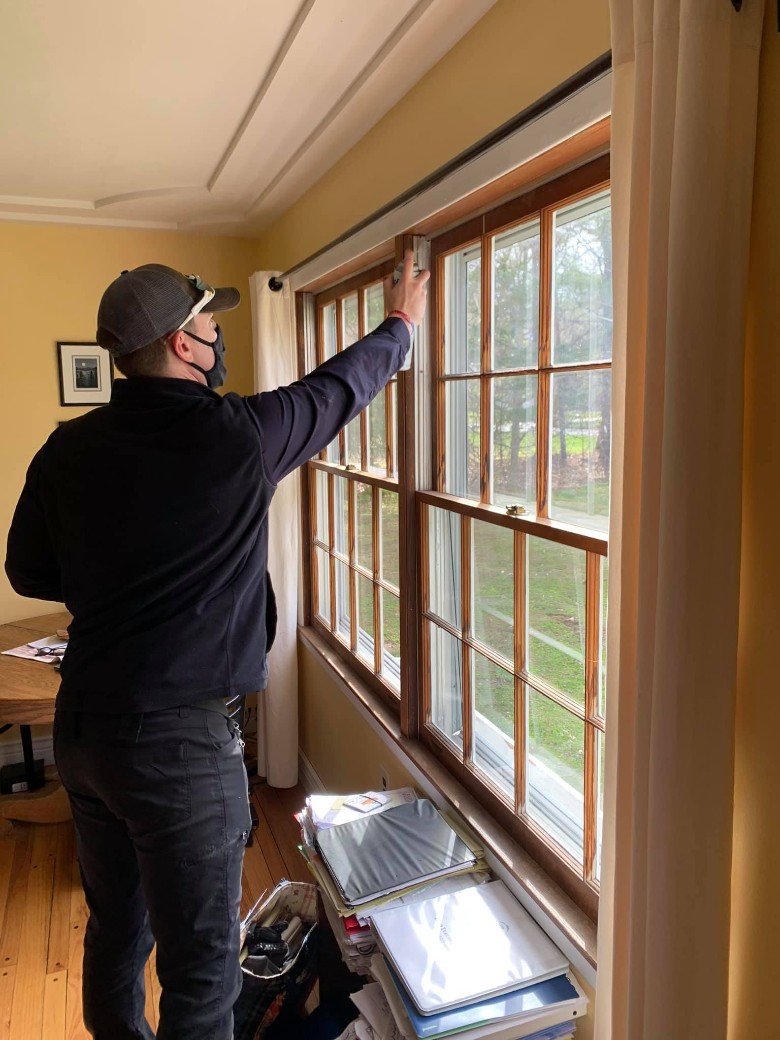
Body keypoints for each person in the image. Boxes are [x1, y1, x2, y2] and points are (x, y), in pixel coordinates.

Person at [4, 253, 429, 1040]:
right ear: (181, 343)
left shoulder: (67, 448)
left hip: (85, 729)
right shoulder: (236, 437)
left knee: (116, 929)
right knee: (201, 974)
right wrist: (401, 324)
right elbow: (337, 390)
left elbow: (26, 571)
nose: (216, 335)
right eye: (207, 322)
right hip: (179, 749)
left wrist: (116, 582)